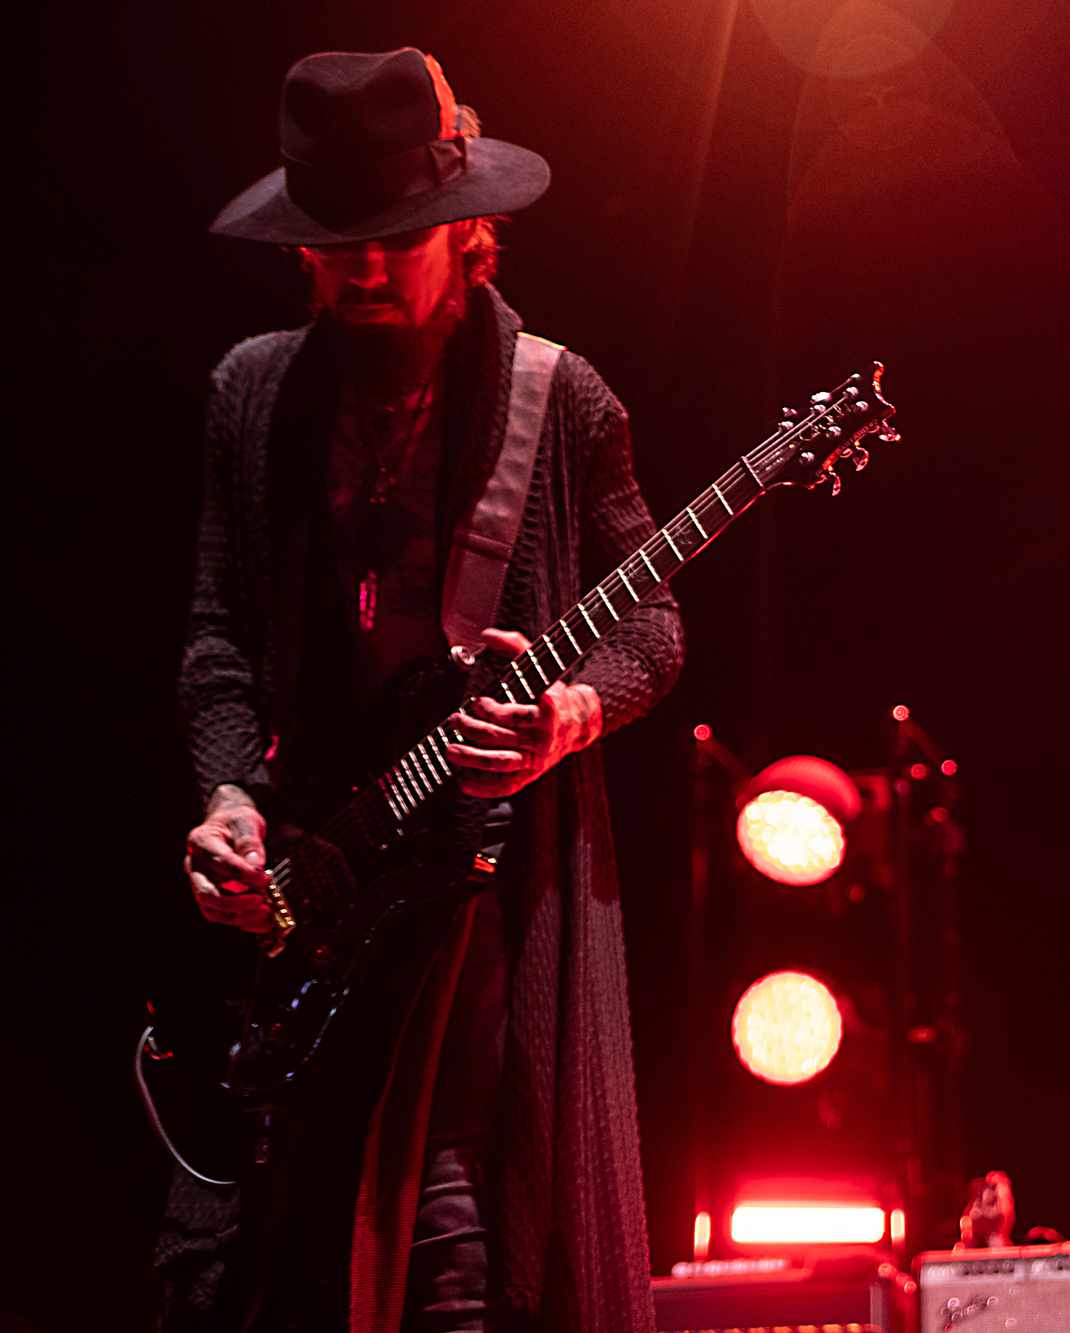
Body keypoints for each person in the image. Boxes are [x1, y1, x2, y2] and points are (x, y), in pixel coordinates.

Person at [157, 48, 683, 1333]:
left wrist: (564, 718)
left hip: (484, 894)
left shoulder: (559, 400)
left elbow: (655, 621)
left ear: (468, 230)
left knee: (460, 1248)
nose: (370, 271)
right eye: (339, 246)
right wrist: (228, 798)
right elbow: (219, 635)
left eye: (398, 239)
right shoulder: (253, 395)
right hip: (314, 881)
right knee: (265, 1251)